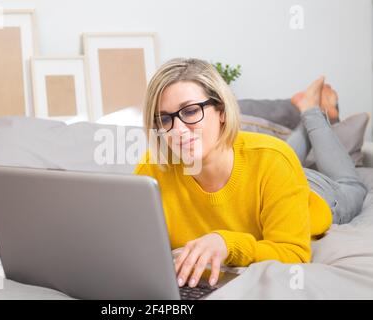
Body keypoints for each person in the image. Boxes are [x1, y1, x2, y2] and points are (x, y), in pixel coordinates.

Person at [134, 58, 368, 289]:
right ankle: (307, 108)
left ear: (222, 112)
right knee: (274, 153)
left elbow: (293, 254)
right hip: (266, 173)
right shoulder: (151, 171)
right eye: (165, 118)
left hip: (314, 193)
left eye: (191, 111)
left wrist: (228, 243)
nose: (178, 130)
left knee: (350, 184)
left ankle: (312, 110)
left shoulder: (274, 160)